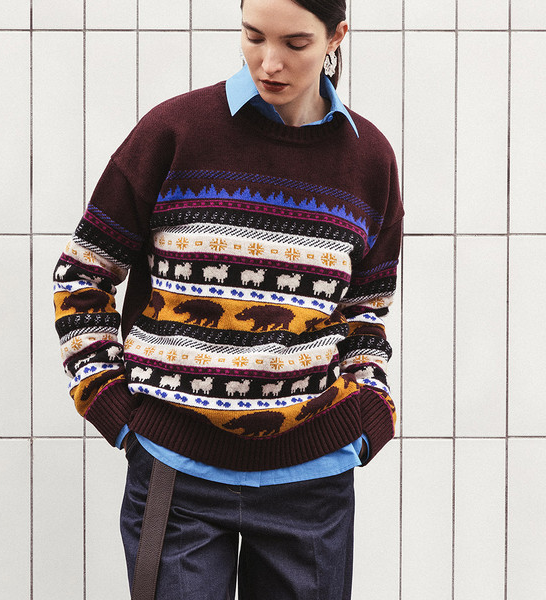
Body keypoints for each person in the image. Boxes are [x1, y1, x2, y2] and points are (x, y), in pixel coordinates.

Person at [53, 0, 403, 597]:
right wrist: (111, 405)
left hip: (312, 480)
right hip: (175, 470)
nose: (269, 63)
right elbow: (84, 273)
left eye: (295, 43)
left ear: (335, 37)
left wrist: (369, 410)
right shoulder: (174, 132)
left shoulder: (367, 158)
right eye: (253, 36)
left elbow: (365, 309)